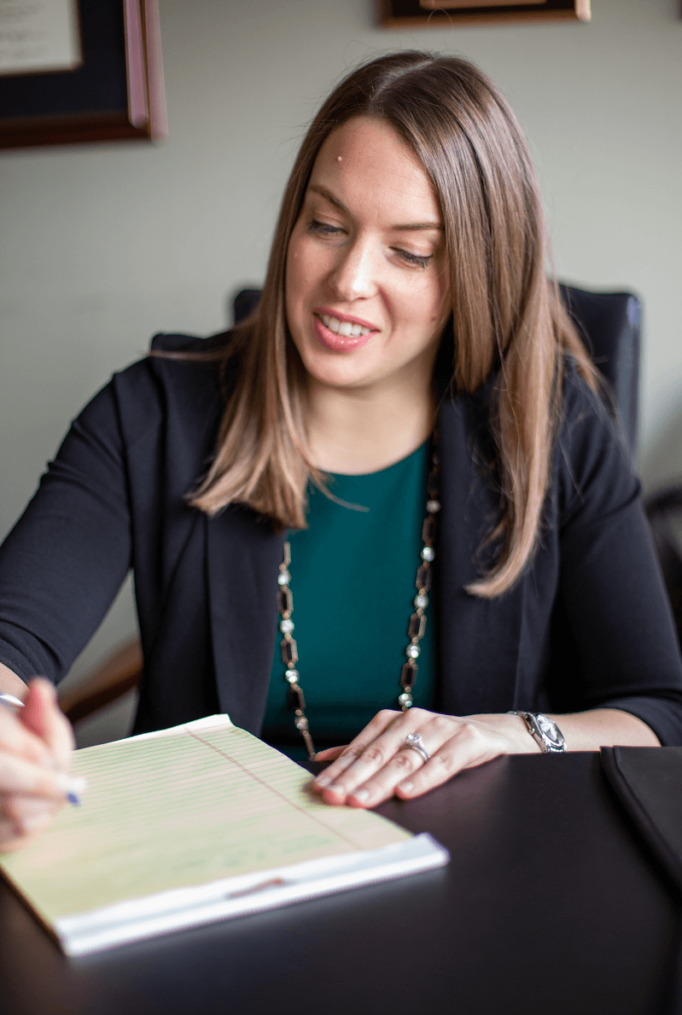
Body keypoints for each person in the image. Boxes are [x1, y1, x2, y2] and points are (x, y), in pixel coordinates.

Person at [1, 51, 681, 854]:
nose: (348, 279)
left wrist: (509, 736)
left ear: (477, 272)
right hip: (209, 880)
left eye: (411, 252)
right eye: (326, 226)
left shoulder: (557, 427)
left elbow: (656, 713)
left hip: (477, 885)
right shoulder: (152, 410)